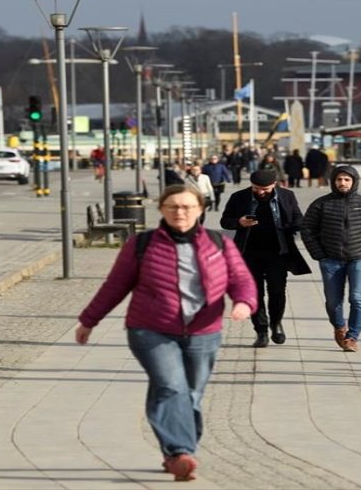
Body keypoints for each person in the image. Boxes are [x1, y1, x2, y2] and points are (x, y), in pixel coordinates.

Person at [75, 185, 256, 482]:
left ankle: (178, 451)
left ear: (200, 209)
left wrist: (244, 303)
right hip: (150, 329)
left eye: (186, 206)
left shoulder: (218, 243)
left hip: (204, 330)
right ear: (160, 209)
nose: (179, 212)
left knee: (193, 393)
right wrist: (89, 320)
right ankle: (179, 452)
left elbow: (241, 280)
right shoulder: (141, 244)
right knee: (172, 385)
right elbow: (115, 285)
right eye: (172, 206)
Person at [301, 165, 361, 352]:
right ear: (333, 181)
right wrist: (319, 254)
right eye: (339, 179)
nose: (343, 183)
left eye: (347, 180)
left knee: (357, 298)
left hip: (359, 258)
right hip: (330, 260)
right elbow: (307, 230)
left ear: (354, 182)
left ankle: (352, 337)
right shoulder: (321, 204)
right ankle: (339, 326)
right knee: (333, 302)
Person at [220, 168, 311, 347]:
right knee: (255, 293)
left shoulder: (287, 196)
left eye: (265, 189)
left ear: (274, 185)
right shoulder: (239, 197)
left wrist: (293, 226)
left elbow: (298, 219)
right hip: (248, 254)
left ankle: (276, 323)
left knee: (277, 292)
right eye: (256, 188)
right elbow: (225, 221)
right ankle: (261, 331)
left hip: (278, 253)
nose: (260, 192)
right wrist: (239, 222)